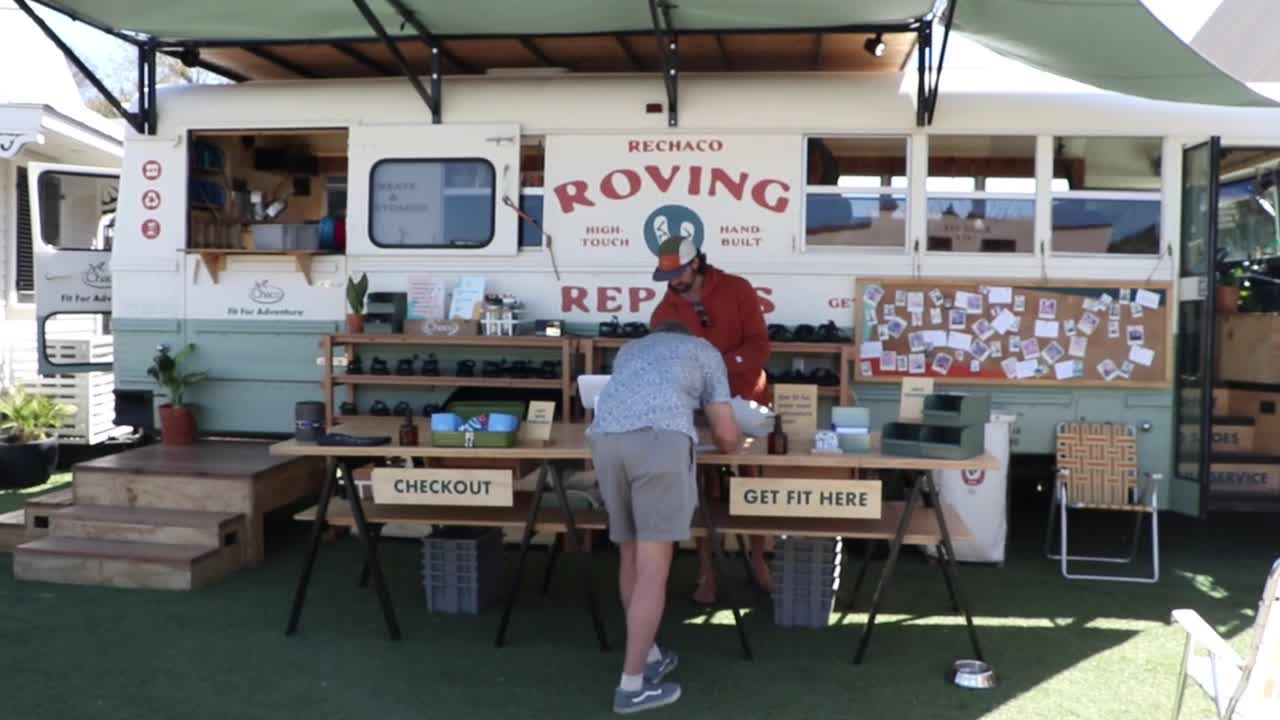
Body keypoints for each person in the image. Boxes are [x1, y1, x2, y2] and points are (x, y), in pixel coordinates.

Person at [589, 320, 742, 715]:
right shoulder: (704, 351)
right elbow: (726, 436)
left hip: (605, 442)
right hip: (658, 442)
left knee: (629, 557)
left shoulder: (630, 351)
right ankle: (632, 686)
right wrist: (735, 441)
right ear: (690, 335)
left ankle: (651, 655)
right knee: (654, 569)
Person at [648, 235, 773, 604]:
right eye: (667, 275)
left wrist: (723, 366)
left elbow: (759, 344)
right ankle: (707, 572)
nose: (672, 282)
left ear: (697, 264)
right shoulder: (665, 310)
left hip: (745, 398)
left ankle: (759, 560)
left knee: (751, 483)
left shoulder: (737, 289)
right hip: (696, 406)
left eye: (678, 273)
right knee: (704, 486)